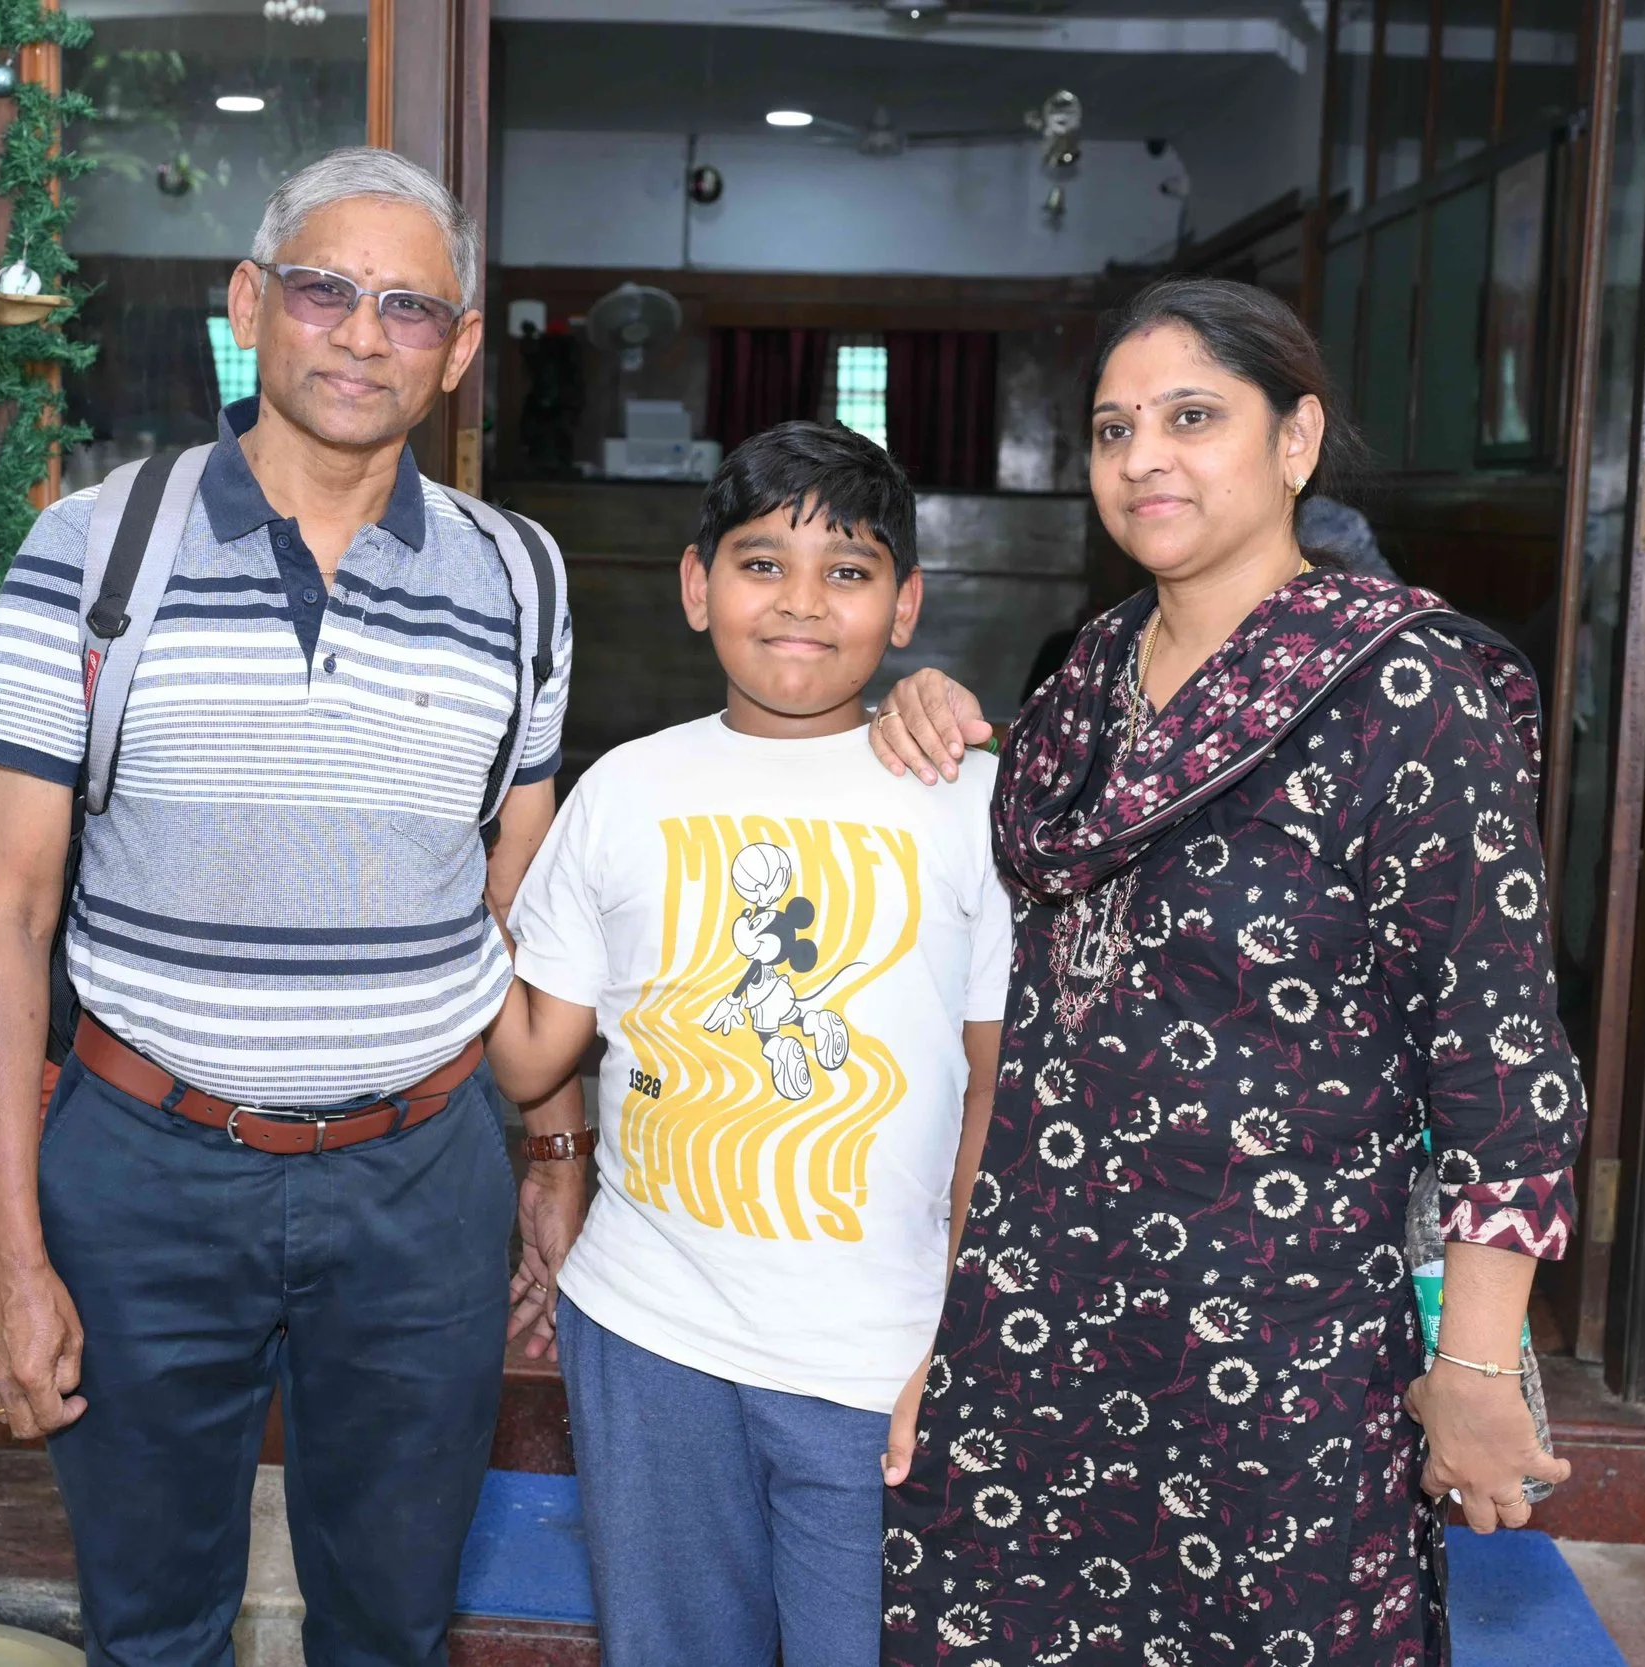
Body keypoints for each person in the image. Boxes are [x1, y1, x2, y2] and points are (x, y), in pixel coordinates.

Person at [865, 277, 1584, 1666]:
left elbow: (1501, 1055)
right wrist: (925, 695)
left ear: (1296, 440)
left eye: (1193, 416)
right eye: (1113, 427)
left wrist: (1478, 1362)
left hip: (1282, 1340)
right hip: (1045, 1315)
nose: (1145, 456)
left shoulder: (1405, 690)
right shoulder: (1083, 683)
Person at [0, 147, 580, 1667]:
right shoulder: (94, 550)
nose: (364, 334)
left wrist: (552, 1151)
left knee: (394, 1623)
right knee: (153, 1627)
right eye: (324, 289)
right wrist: (10, 1256)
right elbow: (2, 914)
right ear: (250, 303)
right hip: (145, 1169)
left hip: (421, 1188)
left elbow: (529, 913)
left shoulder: (523, 581)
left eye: (411, 307)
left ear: (462, 347)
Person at [487, 422, 1012, 1667]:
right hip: (647, 1329)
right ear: (694, 586)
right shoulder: (624, 787)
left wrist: (966, 1333)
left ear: (905, 605)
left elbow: (998, 1086)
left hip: (877, 1356)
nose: (800, 602)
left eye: (848, 569)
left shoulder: (965, 798)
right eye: (761, 562)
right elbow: (528, 1056)